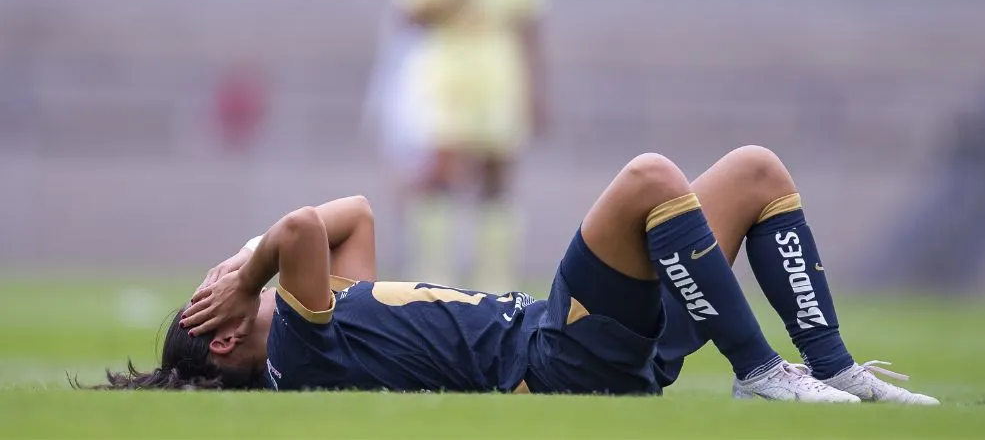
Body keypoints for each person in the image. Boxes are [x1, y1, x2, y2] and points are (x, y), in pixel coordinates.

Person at [92, 146, 937, 403]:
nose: (225, 271)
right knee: (648, 178)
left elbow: (355, 214)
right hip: (552, 357)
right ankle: (760, 372)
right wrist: (248, 272)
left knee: (754, 172)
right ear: (230, 328)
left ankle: (833, 366)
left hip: (579, 344)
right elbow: (303, 226)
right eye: (213, 285)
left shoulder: (327, 314)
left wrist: (246, 275)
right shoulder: (295, 355)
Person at [385, 0, 549, 291]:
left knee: (496, 175)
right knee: (438, 171)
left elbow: (529, 31)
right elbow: (411, 14)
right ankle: (433, 272)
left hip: (498, 79)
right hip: (447, 80)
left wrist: (537, 93)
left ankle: (495, 276)